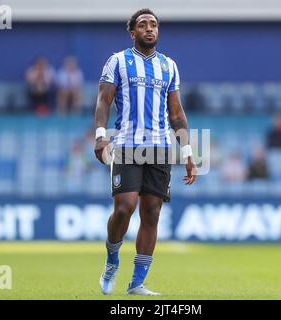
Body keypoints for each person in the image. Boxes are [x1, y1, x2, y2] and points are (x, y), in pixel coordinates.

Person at [94, 8, 197, 296]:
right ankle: (112, 259)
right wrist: (101, 136)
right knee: (124, 208)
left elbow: (176, 113)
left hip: (161, 149)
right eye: (143, 24)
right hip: (127, 145)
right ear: (133, 32)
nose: (149, 28)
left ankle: (137, 282)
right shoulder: (118, 61)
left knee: (151, 214)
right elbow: (103, 100)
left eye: (153, 24)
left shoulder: (169, 66)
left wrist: (188, 152)